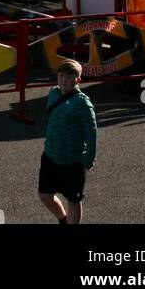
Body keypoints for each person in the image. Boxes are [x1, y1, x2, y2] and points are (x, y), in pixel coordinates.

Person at [38, 59, 97, 225]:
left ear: (78, 80)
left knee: (73, 200)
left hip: (73, 161)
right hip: (50, 156)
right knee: (45, 196)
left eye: (69, 77)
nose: (63, 80)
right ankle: (63, 221)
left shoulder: (83, 103)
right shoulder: (53, 94)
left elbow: (91, 134)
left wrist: (88, 161)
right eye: (61, 75)